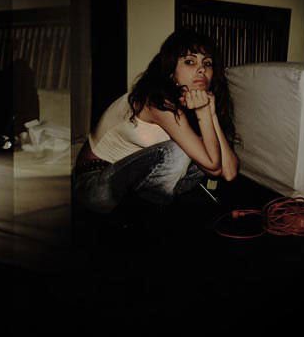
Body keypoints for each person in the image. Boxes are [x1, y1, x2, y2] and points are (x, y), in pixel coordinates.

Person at [74, 28, 239, 214]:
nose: (202, 69)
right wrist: (203, 113)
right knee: (179, 152)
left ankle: (152, 212)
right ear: (171, 72)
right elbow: (213, 167)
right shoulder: (157, 101)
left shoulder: (189, 104)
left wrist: (211, 113)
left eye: (207, 63)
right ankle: (150, 220)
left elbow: (229, 172)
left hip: (133, 182)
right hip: (93, 185)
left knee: (204, 149)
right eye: (190, 61)